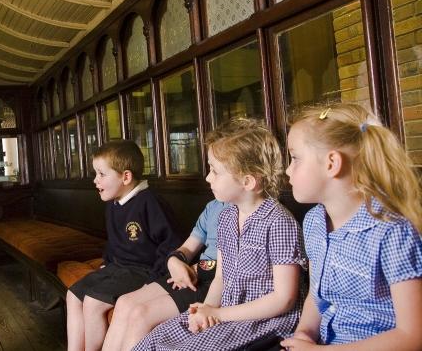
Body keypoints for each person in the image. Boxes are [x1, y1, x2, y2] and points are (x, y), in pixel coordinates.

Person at [133, 120, 306, 351]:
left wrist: (219, 314)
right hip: (226, 311)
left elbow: (284, 299)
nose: (208, 178)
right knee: (154, 340)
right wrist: (205, 311)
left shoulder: (279, 223)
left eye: (215, 171)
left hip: (264, 322)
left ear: (248, 181)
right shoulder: (225, 218)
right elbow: (221, 279)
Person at [281, 103, 422, 350]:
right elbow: (317, 294)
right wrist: (304, 333)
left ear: (331, 163)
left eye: (295, 159)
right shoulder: (314, 221)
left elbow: (413, 335)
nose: (287, 169)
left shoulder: (392, 229)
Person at [66, 140, 182, 351]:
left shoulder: (150, 202)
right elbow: (114, 241)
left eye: (101, 174)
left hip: (143, 271)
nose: (95, 180)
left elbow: (171, 244)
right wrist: (107, 262)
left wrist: (156, 278)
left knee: (92, 302)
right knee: (72, 296)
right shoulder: (113, 203)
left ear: (125, 177)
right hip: (118, 268)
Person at [102, 199, 226, 351]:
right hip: (196, 271)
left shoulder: (245, 211)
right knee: (124, 302)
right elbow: (188, 247)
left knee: (140, 314)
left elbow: (224, 272)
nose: (208, 178)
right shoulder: (213, 206)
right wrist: (174, 261)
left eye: (216, 173)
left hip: (213, 280)